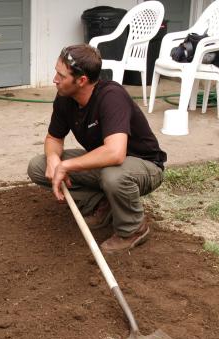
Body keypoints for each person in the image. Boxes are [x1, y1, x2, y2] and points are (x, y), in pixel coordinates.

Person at [27, 44, 167, 254]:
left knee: (114, 175)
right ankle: (103, 204)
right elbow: (53, 138)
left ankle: (133, 229)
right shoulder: (65, 97)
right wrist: (54, 159)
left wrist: (66, 165)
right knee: (38, 166)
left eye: (60, 75)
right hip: (107, 165)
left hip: (144, 166)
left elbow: (115, 153)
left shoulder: (111, 96)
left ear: (81, 80)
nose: (55, 79)